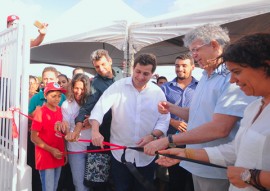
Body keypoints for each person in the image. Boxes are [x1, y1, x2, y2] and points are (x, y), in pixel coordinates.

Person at [144, 24, 257, 191]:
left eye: (196, 50)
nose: (194, 56)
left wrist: (168, 140)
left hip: (217, 167)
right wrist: (172, 108)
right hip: (196, 162)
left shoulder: (231, 79)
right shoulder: (205, 76)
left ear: (214, 45)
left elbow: (220, 128)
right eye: (192, 51)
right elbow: (197, 115)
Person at [89, 53, 170, 191]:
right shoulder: (118, 87)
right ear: (133, 68)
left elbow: (164, 120)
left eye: (146, 74)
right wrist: (95, 131)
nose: (140, 77)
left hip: (146, 155)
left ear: (152, 74)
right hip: (120, 155)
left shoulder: (157, 93)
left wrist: (153, 135)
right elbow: (99, 109)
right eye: (138, 72)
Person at [66, 49, 122, 190]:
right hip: (102, 137)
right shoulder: (95, 84)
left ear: (110, 61)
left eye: (103, 64)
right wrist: (76, 130)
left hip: (122, 137)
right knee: (99, 181)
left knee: (120, 180)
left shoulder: (122, 76)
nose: (101, 69)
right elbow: (85, 109)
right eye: (97, 67)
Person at [161, 54, 198, 191]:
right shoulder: (164, 88)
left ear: (193, 67)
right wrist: (172, 122)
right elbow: (155, 112)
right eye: (177, 65)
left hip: (195, 140)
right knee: (176, 179)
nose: (180, 68)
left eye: (184, 65)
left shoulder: (200, 88)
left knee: (193, 179)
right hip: (172, 140)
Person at [28, 66, 67, 191]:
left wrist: (64, 151)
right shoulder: (40, 112)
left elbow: (61, 134)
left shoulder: (61, 111)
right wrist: (51, 150)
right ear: (45, 95)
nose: (57, 99)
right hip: (46, 156)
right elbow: (34, 137)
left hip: (58, 154)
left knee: (53, 188)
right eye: (53, 96)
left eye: (59, 96)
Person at [61, 73, 91, 191]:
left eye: (82, 89)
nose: (79, 91)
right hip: (75, 150)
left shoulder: (91, 103)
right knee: (80, 185)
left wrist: (91, 121)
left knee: (94, 183)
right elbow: (66, 124)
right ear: (72, 87)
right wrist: (68, 134)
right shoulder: (66, 105)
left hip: (93, 148)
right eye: (76, 88)